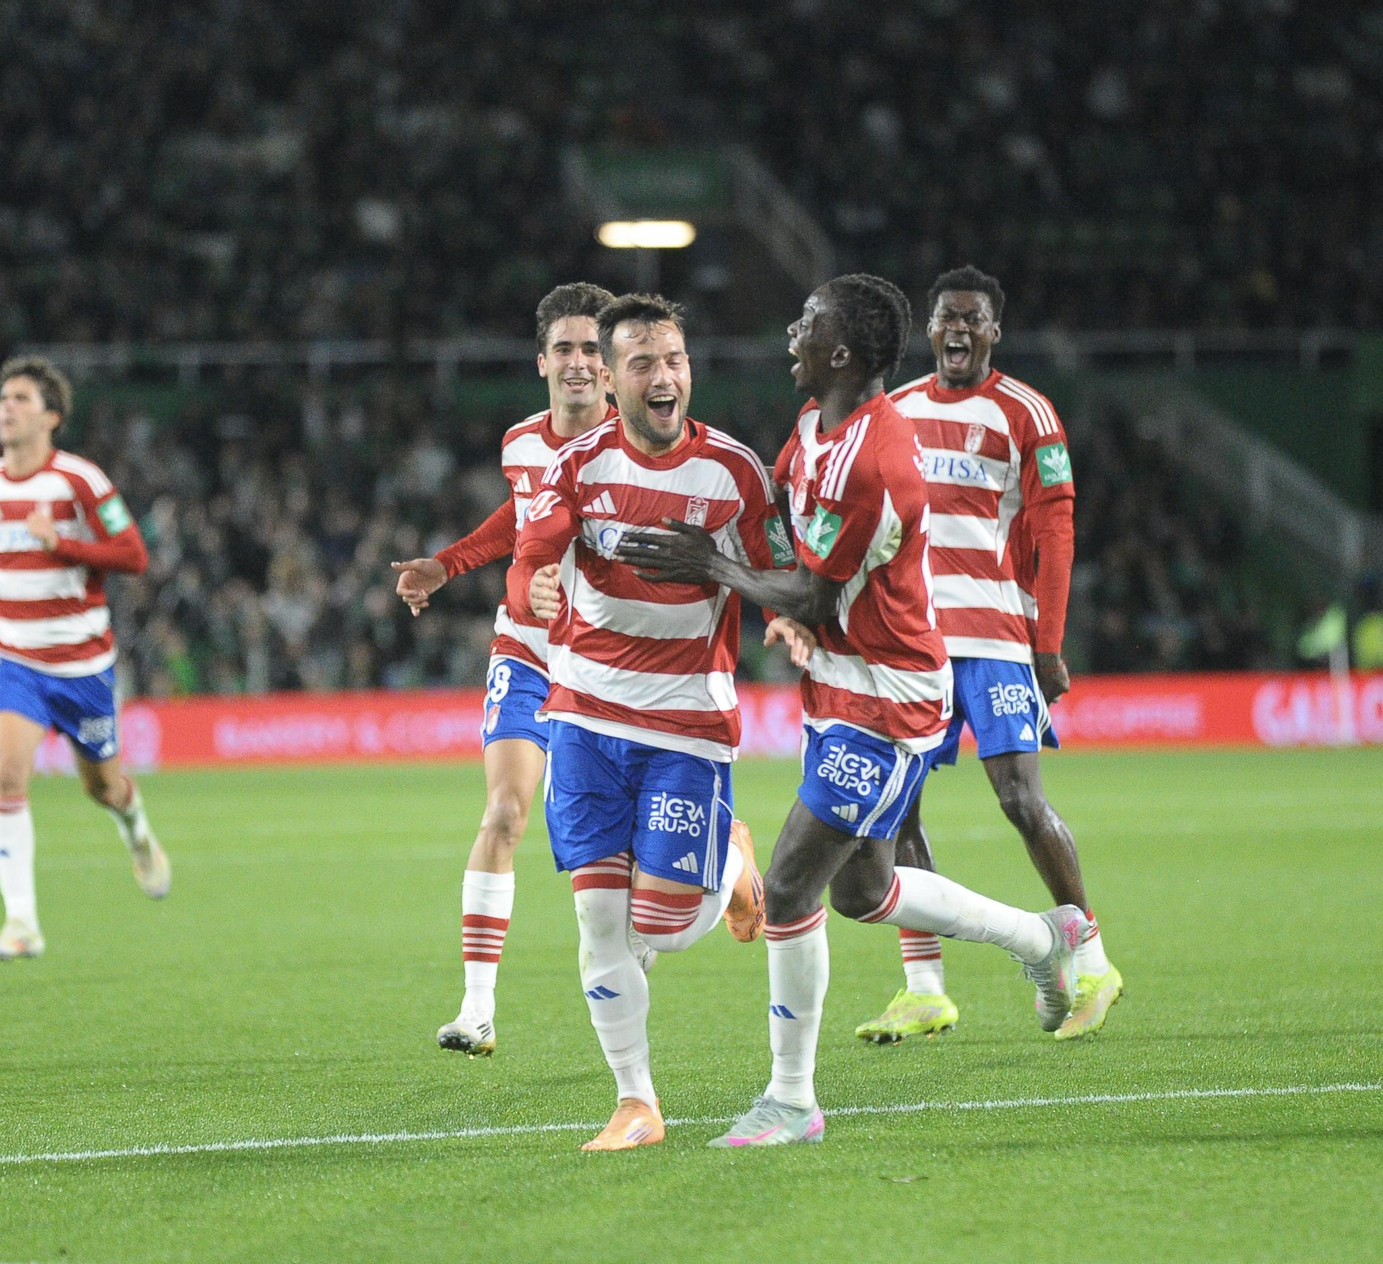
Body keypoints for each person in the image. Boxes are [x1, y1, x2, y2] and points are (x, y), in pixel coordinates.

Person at [616, 275, 1088, 1148]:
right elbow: (779, 517)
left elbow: (812, 593)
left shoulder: (881, 459)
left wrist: (709, 566)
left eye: (807, 323)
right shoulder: (811, 429)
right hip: (838, 689)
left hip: (890, 701)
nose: (790, 331)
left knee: (792, 883)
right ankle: (1041, 937)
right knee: (864, 890)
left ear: (839, 352)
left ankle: (792, 1100)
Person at [511, 293, 778, 1151]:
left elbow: (779, 579)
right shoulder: (581, 463)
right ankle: (637, 1103)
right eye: (643, 364)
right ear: (616, 381)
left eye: (674, 361)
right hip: (585, 716)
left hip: (686, 723)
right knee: (597, 919)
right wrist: (537, 583)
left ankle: (732, 857)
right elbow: (534, 548)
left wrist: (792, 623)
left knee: (659, 924)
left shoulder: (735, 473)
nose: (663, 377)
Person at [849, 264, 1120, 1043]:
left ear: (994, 331)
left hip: (997, 638)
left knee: (1019, 800)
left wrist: (1049, 640)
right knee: (895, 813)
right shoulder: (891, 412)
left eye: (972, 319)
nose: (957, 330)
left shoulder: (1027, 412)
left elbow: (1055, 530)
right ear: (928, 330)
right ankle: (924, 986)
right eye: (945, 318)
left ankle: (1092, 958)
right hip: (911, 645)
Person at [391, 283, 622, 1056]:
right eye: (566, 348)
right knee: (505, 815)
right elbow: (517, 519)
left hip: (611, 663)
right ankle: (477, 1008)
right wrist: (446, 565)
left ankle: (729, 863)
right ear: (541, 361)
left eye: (593, 349)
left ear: (615, 364)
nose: (580, 362)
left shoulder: (642, 447)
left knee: (618, 849)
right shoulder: (523, 443)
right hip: (525, 649)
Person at [0, 357, 168, 961]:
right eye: (2, 397)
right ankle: (21, 923)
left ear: (51, 417)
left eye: (20, 398)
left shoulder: (80, 481)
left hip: (82, 663)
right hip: (14, 656)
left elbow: (133, 555)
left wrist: (62, 544)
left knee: (103, 787)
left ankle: (137, 829)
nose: (5, 406)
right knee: (7, 774)